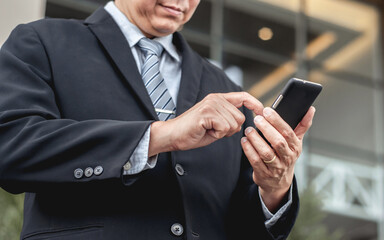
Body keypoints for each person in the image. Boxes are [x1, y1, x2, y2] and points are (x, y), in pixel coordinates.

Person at [0, 0, 315, 239]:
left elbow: (243, 229)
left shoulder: (228, 91)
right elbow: (11, 148)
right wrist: (161, 136)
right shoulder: (43, 42)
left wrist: (275, 189)